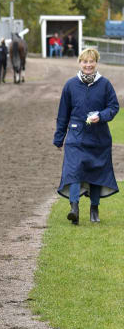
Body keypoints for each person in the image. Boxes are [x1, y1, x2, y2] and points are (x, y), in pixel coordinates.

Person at [53, 48, 119, 225]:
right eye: (85, 61)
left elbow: (114, 107)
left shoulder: (105, 84)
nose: (88, 65)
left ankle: (94, 208)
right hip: (76, 136)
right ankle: (74, 209)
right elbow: (62, 114)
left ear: (96, 63)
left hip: (99, 138)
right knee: (74, 171)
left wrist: (101, 116)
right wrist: (59, 138)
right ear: (80, 63)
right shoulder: (70, 85)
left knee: (96, 173)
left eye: (91, 61)